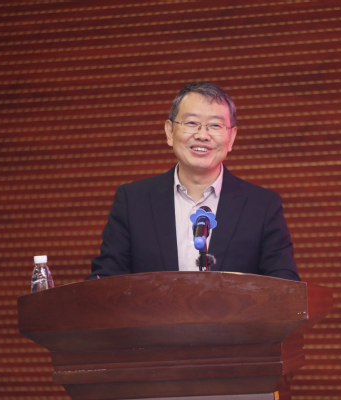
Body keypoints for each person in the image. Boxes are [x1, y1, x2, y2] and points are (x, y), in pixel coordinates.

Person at [87, 82, 300, 281]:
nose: (202, 135)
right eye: (191, 123)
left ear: (231, 137)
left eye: (215, 125)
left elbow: (285, 286)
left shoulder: (262, 206)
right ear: (170, 132)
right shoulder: (133, 201)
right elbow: (105, 280)